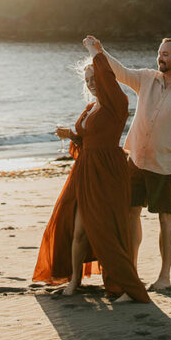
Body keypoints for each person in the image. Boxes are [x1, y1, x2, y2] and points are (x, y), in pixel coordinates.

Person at [32, 38, 150, 303]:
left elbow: (108, 75)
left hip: (107, 172)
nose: (91, 82)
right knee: (77, 229)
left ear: (105, 77)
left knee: (107, 230)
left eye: (95, 77)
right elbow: (87, 139)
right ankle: (74, 281)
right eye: (87, 80)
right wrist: (72, 135)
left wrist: (95, 51)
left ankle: (125, 285)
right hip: (84, 172)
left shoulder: (117, 102)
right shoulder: (91, 108)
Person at [87, 35, 171, 292]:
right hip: (136, 161)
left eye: (166, 54)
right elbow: (119, 72)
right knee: (131, 213)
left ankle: (164, 278)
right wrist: (100, 51)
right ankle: (132, 273)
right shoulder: (146, 78)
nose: (160, 58)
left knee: (165, 218)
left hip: (165, 166)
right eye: (159, 53)